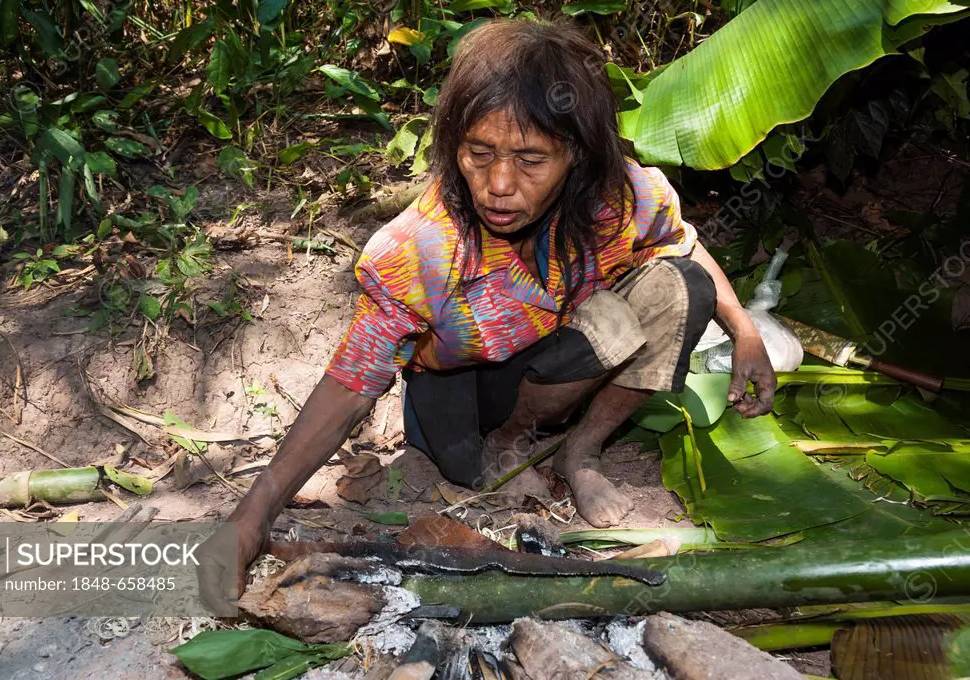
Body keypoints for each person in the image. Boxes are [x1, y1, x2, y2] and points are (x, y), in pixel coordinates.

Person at [203, 18, 776, 600]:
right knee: (465, 464)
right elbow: (353, 380)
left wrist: (746, 332)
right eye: (480, 153)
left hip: (559, 364)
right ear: (456, 145)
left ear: (575, 153)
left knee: (682, 286)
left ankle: (581, 451)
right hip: (461, 391)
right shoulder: (422, 247)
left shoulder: (616, 200)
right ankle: (498, 446)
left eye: (531, 160)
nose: (498, 184)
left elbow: (683, 243)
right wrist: (251, 517)